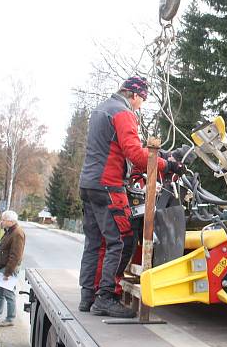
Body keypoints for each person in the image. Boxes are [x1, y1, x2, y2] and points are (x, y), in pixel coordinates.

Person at [78, 76, 184, 317]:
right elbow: (135, 154)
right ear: (134, 94)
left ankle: (89, 297)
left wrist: (160, 157)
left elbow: (115, 151)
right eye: (142, 100)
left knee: (96, 242)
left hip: (89, 184)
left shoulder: (101, 110)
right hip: (108, 186)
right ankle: (106, 297)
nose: (141, 105)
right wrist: (166, 166)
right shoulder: (123, 113)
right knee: (122, 239)